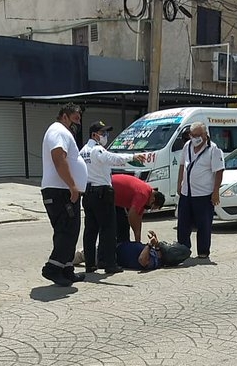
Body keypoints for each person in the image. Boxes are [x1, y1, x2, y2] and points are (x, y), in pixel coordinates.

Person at [79, 121, 145, 275]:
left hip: (88, 193)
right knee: (108, 230)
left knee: (90, 230)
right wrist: (133, 157)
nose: (105, 136)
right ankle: (109, 264)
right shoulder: (97, 150)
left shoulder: (82, 151)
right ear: (94, 135)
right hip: (102, 193)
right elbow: (113, 159)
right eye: (103, 133)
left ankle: (90, 264)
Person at [40, 103, 88, 287]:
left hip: (63, 190)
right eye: (75, 117)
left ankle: (66, 269)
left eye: (80, 118)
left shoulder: (63, 131)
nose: (78, 121)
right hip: (60, 191)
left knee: (72, 230)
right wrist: (73, 186)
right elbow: (58, 158)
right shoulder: (58, 131)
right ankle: (52, 268)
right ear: (65, 116)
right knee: (66, 231)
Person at [176, 122, 224, 259]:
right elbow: (181, 166)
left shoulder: (213, 150)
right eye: (193, 135)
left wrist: (216, 192)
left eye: (199, 135)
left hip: (203, 194)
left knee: (204, 225)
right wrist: (179, 184)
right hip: (186, 193)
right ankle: (183, 250)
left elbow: (219, 171)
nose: (196, 138)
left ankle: (203, 252)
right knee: (183, 224)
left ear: (205, 134)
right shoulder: (187, 146)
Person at [111, 174, 165, 245]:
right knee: (119, 226)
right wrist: (136, 235)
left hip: (114, 196)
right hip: (107, 190)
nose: (149, 209)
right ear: (153, 200)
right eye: (152, 207)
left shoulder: (147, 193)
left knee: (123, 226)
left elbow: (138, 218)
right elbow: (131, 215)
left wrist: (138, 240)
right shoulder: (143, 194)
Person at [116, 231, 190, 271]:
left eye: (169, 244)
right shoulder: (158, 255)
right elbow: (158, 251)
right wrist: (156, 244)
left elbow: (142, 260)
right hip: (120, 243)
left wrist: (150, 245)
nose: (166, 243)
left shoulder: (155, 262)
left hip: (114, 252)